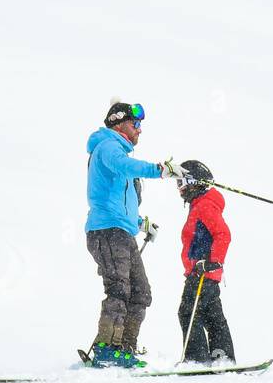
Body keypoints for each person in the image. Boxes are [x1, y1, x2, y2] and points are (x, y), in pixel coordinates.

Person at [85, 102, 184, 367]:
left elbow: (118, 199)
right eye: (135, 124)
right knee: (119, 289)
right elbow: (125, 167)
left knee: (141, 292)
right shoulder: (108, 147)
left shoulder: (117, 152)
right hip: (106, 230)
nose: (140, 130)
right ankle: (108, 349)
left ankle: (124, 349)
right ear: (119, 124)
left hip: (122, 230)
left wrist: (141, 223)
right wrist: (160, 170)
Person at [176, 160, 235, 364]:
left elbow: (223, 234)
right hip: (206, 273)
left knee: (188, 312)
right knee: (212, 315)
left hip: (201, 272)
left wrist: (212, 261)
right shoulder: (200, 205)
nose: (179, 189)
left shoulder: (204, 205)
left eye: (181, 182)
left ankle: (196, 359)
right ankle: (223, 357)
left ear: (193, 182)